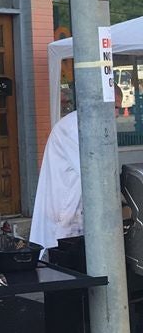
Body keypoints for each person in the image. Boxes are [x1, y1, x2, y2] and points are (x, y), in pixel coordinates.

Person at [30, 85, 123, 255]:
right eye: (115, 107)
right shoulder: (76, 126)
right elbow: (95, 171)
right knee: (60, 260)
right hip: (63, 209)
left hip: (76, 210)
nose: (117, 114)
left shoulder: (93, 126)